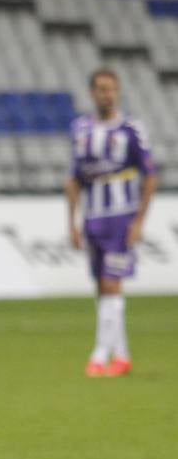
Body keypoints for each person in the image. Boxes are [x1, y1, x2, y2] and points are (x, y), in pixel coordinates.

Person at [66, 68, 157, 378]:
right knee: (100, 286)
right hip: (92, 217)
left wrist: (139, 220)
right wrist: (72, 223)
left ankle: (99, 355)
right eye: (102, 89)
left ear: (118, 92)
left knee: (111, 283)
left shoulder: (131, 129)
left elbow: (150, 176)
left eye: (112, 89)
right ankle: (122, 356)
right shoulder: (80, 129)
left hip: (121, 216)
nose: (108, 95)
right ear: (92, 93)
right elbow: (73, 179)